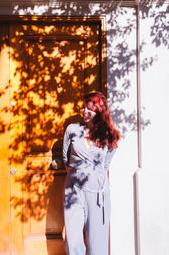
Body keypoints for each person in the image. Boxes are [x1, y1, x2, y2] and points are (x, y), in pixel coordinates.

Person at [63, 91, 120, 255]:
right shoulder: (72, 130)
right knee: (73, 243)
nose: (84, 112)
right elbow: (66, 158)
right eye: (83, 107)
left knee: (97, 245)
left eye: (89, 109)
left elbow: (105, 164)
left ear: (99, 111)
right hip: (73, 191)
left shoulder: (108, 135)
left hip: (97, 195)